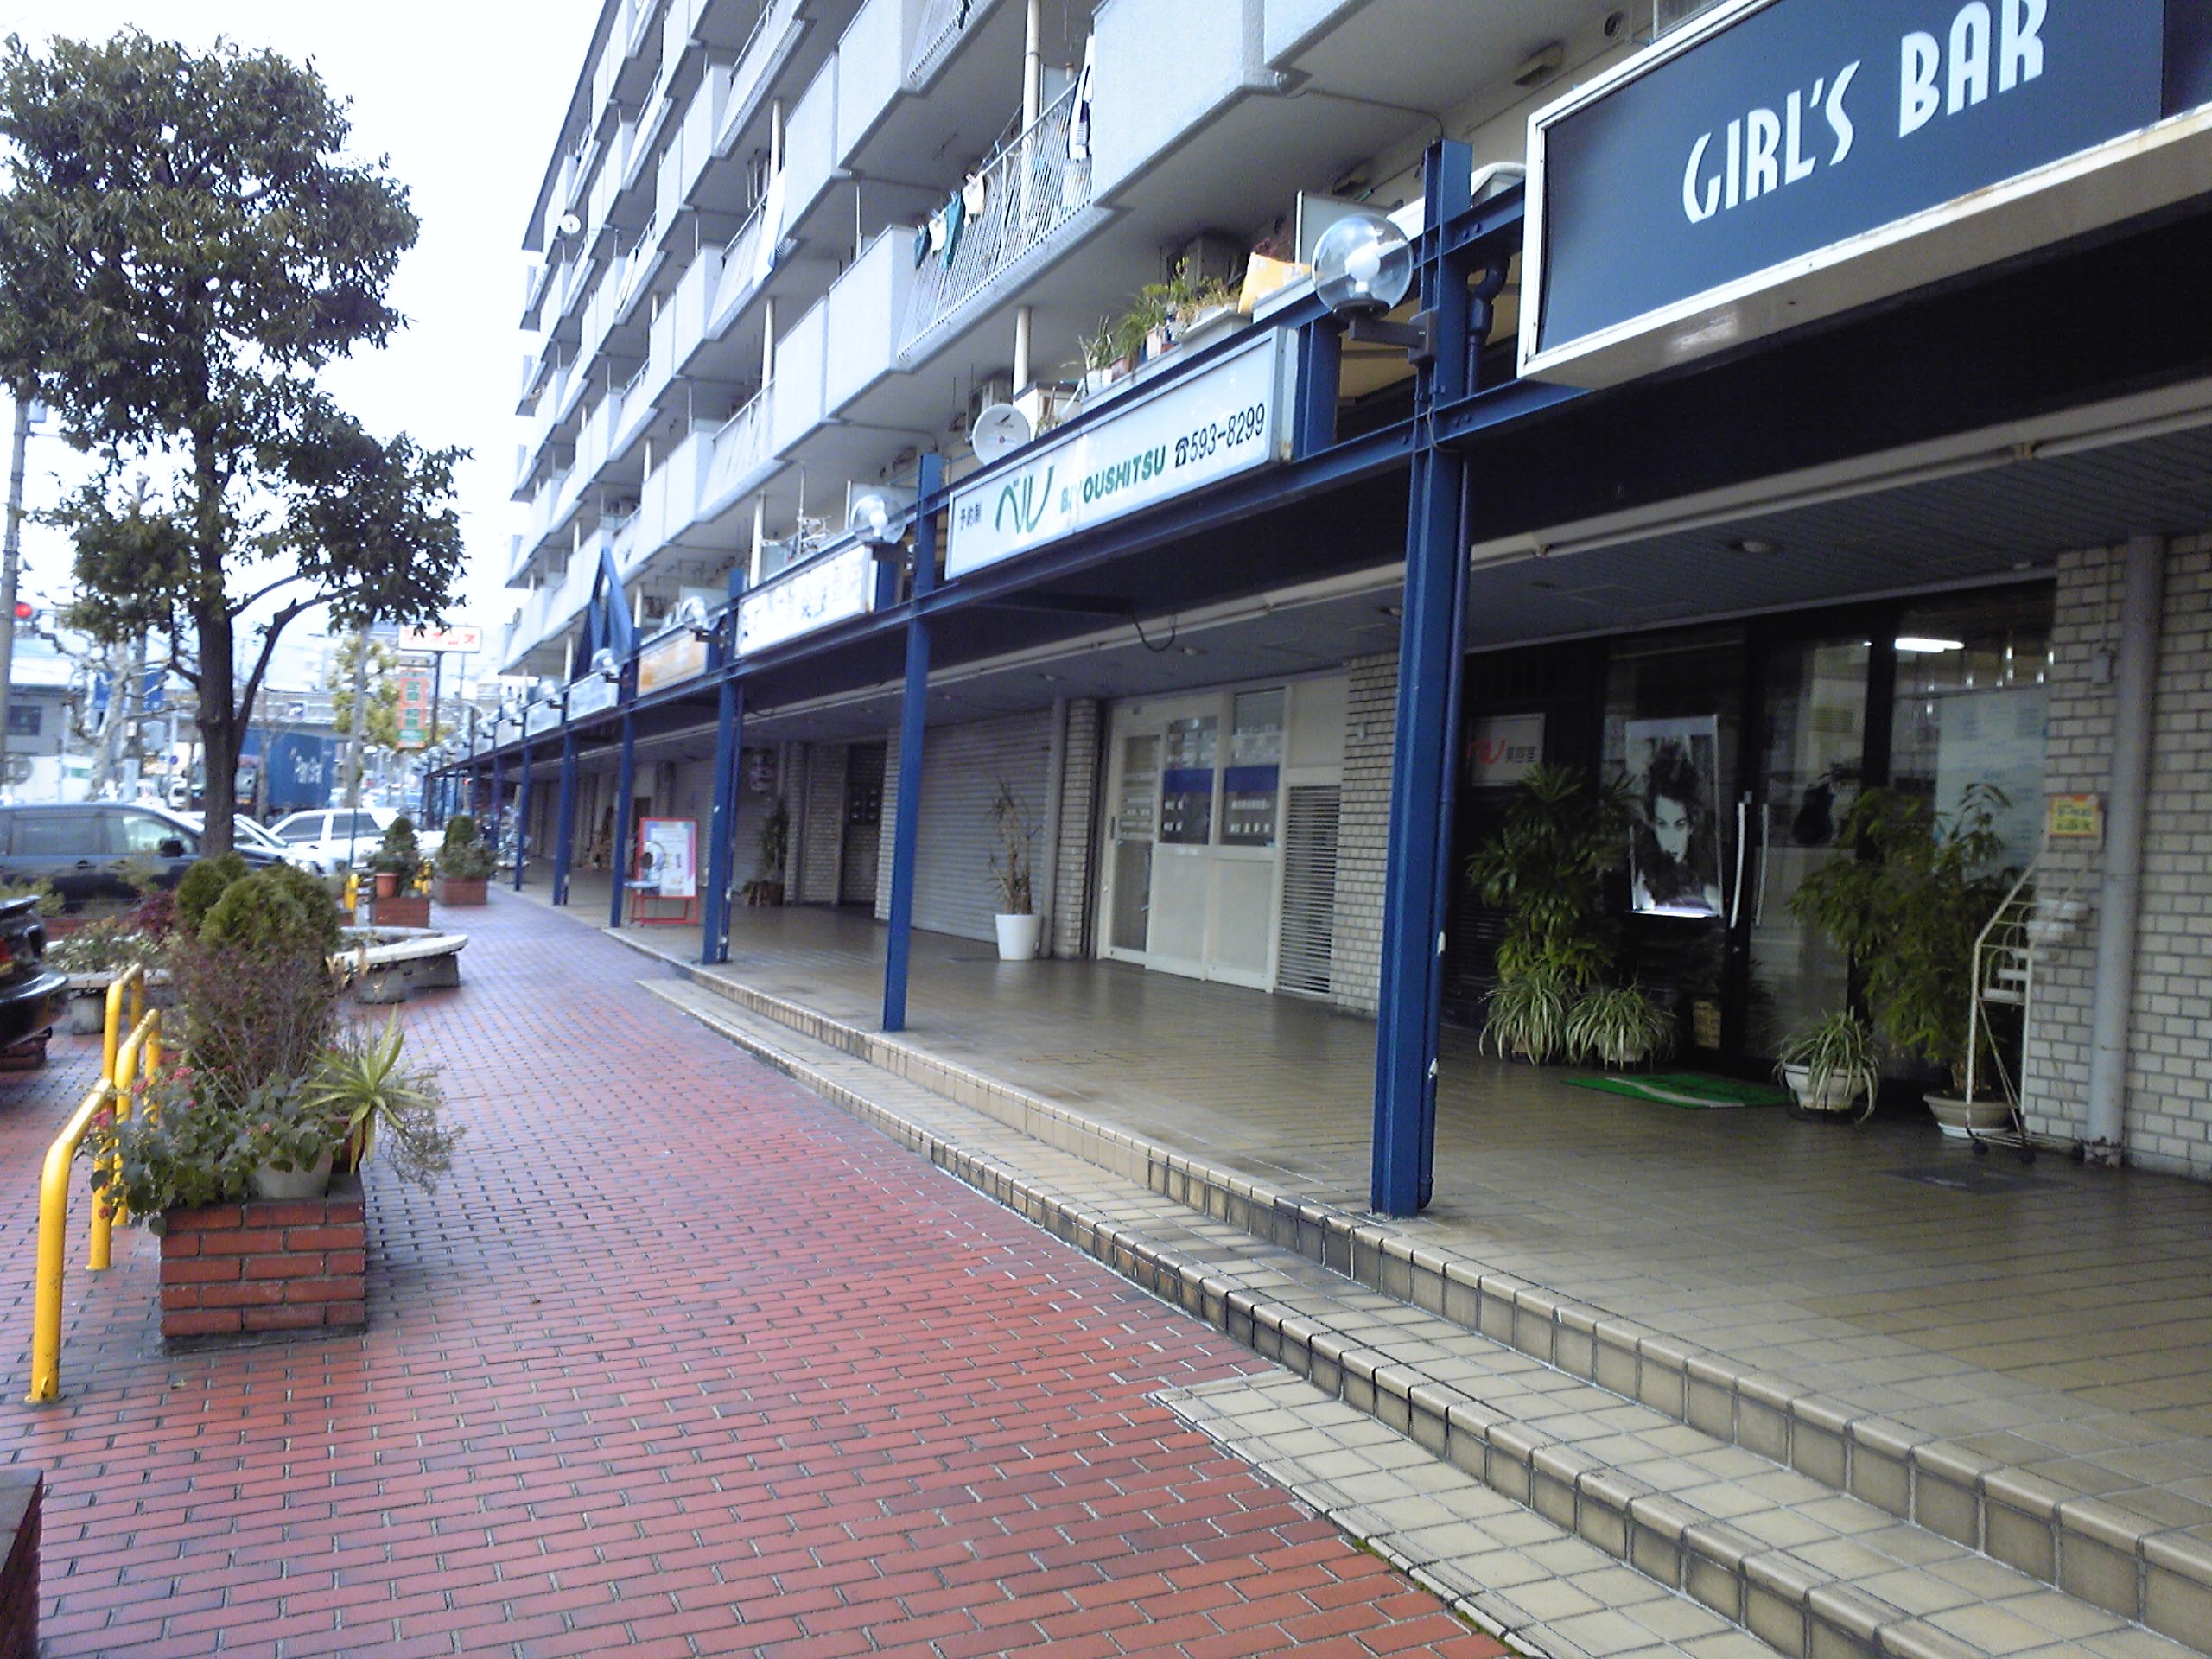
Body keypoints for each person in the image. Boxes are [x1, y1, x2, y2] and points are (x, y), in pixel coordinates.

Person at [1631, 739, 1723, 916]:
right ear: (1653, 825)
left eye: (1679, 825)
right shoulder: (1644, 881)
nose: (1671, 840)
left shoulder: (1709, 882)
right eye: (1662, 825)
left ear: (1691, 826)